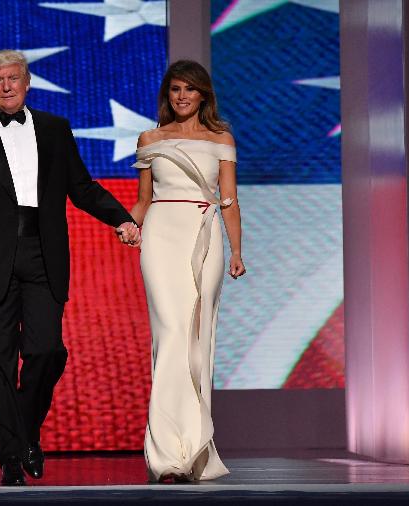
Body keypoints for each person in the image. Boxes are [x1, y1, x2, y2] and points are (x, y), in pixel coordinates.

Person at [0, 49, 140, 486]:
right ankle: (10, 456)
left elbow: (81, 187)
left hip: (43, 253)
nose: (7, 86)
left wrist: (121, 217)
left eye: (14, 78)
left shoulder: (54, 128)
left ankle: (26, 430)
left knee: (47, 351)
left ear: (28, 83)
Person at [129, 60, 246, 482]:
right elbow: (143, 199)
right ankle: (165, 456)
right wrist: (130, 223)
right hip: (161, 235)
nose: (182, 96)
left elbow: (229, 200)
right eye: (176, 89)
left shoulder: (220, 139)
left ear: (203, 96)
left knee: (197, 337)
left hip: (205, 234)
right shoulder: (150, 138)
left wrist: (236, 250)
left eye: (190, 90)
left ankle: (193, 450)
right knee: (171, 335)